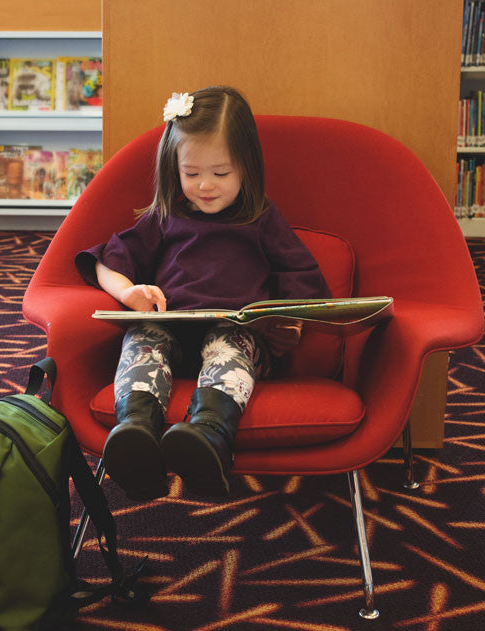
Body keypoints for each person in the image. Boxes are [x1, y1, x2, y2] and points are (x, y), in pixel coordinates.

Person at [75, 86, 330, 500]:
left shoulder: (261, 217)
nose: (205, 186)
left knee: (229, 345)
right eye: (191, 174)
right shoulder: (166, 215)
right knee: (142, 338)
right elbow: (105, 260)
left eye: (221, 173)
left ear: (247, 167)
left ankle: (209, 437)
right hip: (172, 327)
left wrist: (293, 326)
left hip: (234, 332)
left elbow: (301, 274)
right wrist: (129, 293)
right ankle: (135, 432)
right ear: (173, 167)